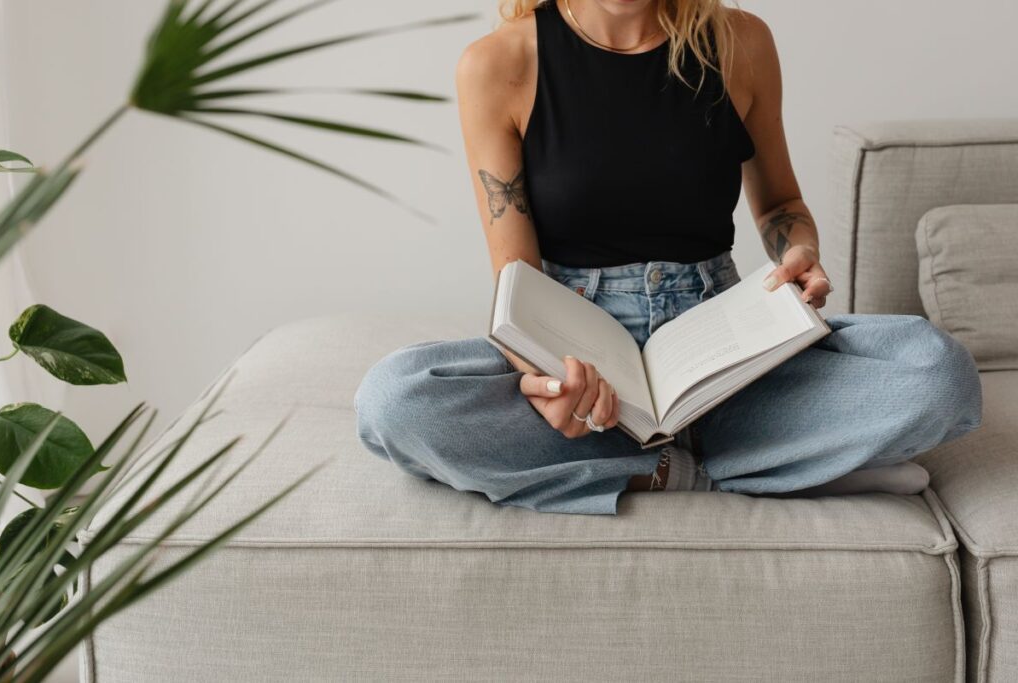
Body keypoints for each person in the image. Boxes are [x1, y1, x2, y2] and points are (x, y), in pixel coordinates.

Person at [352, 0, 983, 515]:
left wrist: (801, 253)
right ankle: (711, 466)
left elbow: (780, 203)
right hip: (581, 347)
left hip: (726, 343)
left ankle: (676, 457)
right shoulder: (498, 63)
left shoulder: (741, 43)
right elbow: (517, 281)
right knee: (394, 401)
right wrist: (547, 383)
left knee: (937, 370)